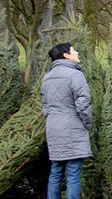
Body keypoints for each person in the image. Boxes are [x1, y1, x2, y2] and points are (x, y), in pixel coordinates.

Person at [41, 42, 93, 199]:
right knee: (73, 174)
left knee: (56, 171)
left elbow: (45, 105)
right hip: (73, 128)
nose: (76, 52)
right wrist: (88, 124)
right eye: (73, 50)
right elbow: (83, 104)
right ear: (66, 55)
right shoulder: (75, 75)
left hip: (53, 127)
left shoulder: (47, 77)